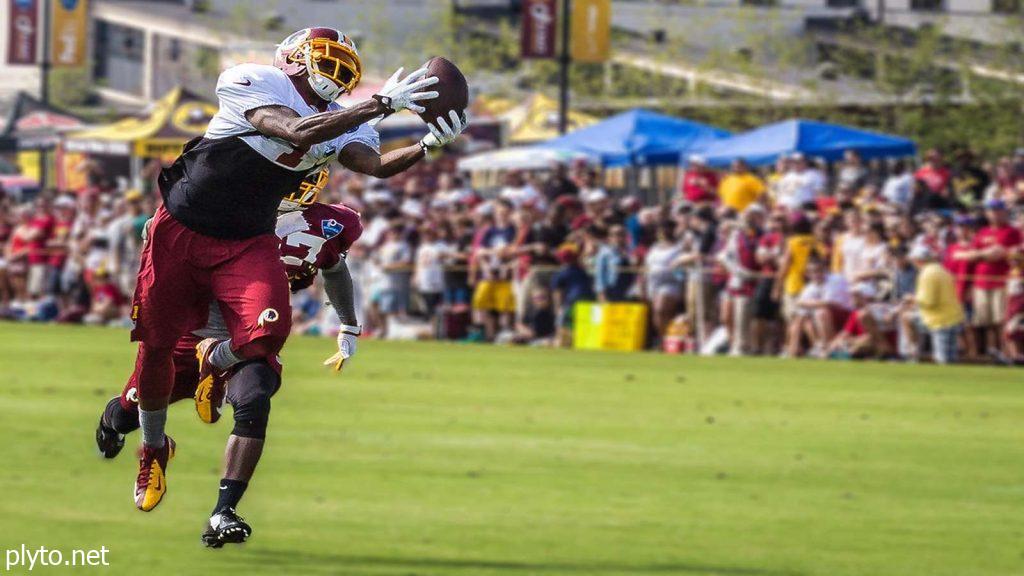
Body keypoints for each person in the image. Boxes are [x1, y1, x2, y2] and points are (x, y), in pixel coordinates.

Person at [116, 26, 465, 546]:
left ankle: (216, 368)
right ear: (290, 57)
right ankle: (153, 447)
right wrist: (378, 105)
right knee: (156, 353)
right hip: (183, 229)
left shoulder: (348, 135)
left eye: (341, 64)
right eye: (322, 58)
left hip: (246, 238)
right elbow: (296, 132)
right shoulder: (252, 79)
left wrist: (424, 146)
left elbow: (372, 165)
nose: (331, 70)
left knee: (266, 335)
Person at [95, 172, 365, 547]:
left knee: (254, 399)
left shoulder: (331, 222)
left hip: (248, 331)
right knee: (129, 410)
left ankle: (224, 510)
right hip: (193, 327)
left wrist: (349, 324)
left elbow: (334, 268)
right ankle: (119, 426)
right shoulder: (222, 204)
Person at [955, 199, 1022, 357]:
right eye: (991, 210)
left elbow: (1002, 254)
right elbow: (969, 255)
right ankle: (992, 352)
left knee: (1001, 321)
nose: (994, 214)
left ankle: (1007, 353)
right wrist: (984, 255)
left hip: (1001, 281)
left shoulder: (1012, 232)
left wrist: (982, 255)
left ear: (1005, 212)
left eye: (998, 210)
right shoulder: (983, 232)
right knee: (986, 322)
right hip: (981, 282)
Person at [902, 244, 966, 364]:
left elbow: (928, 302)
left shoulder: (927, 273)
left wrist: (911, 298)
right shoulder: (941, 269)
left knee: (943, 360)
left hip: (939, 320)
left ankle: (914, 353)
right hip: (952, 317)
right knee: (951, 358)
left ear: (917, 260)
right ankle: (914, 352)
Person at [593, 225, 635, 303]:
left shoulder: (631, 250)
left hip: (629, 290)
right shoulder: (605, 252)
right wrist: (601, 293)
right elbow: (600, 273)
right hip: (612, 289)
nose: (620, 237)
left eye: (622, 234)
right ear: (610, 237)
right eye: (617, 234)